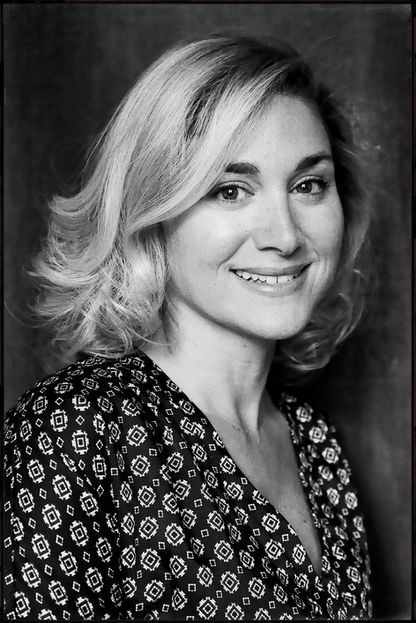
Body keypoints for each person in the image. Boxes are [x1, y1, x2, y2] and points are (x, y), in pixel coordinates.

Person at [4, 34, 372, 620]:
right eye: (230, 190)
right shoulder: (75, 428)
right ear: (152, 213)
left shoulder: (317, 445)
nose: (284, 235)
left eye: (308, 186)